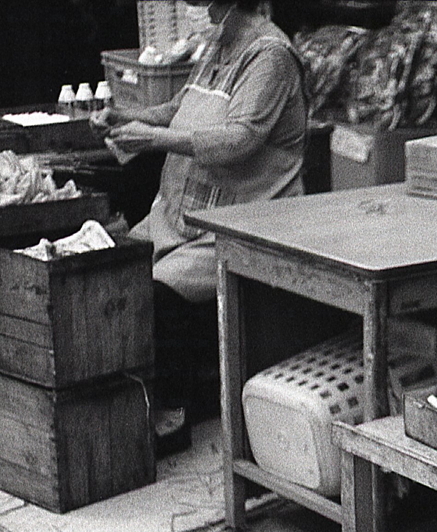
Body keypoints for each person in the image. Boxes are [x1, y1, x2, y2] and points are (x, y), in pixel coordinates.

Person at [91, 0, 307, 453]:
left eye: (203, 3)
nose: (197, 11)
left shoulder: (270, 56)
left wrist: (153, 141)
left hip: (236, 223)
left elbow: (241, 139)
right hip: (179, 216)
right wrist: (128, 119)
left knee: (158, 293)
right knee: (112, 272)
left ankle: (173, 416)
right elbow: (179, 108)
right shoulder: (217, 48)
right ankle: (146, 398)